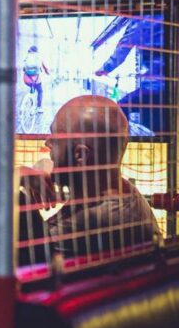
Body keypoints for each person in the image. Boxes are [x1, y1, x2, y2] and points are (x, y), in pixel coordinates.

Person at [40, 95, 160, 257]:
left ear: (80, 155)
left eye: (55, 138)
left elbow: (1, 258)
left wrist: (15, 184)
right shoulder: (123, 192)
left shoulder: (80, 225)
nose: (47, 143)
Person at [92, 16, 165, 135]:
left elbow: (123, 48)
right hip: (166, 85)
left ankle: (122, 139)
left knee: (120, 107)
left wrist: (104, 69)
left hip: (157, 84)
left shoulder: (141, 19)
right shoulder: (164, 17)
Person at [22, 45, 50, 111]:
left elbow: (23, 68)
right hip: (36, 80)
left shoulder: (26, 56)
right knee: (40, 91)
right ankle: (39, 107)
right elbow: (45, 68)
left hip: (27, 79)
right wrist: (47, 72)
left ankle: (30, 101)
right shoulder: (39, 57)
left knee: (32, 88)